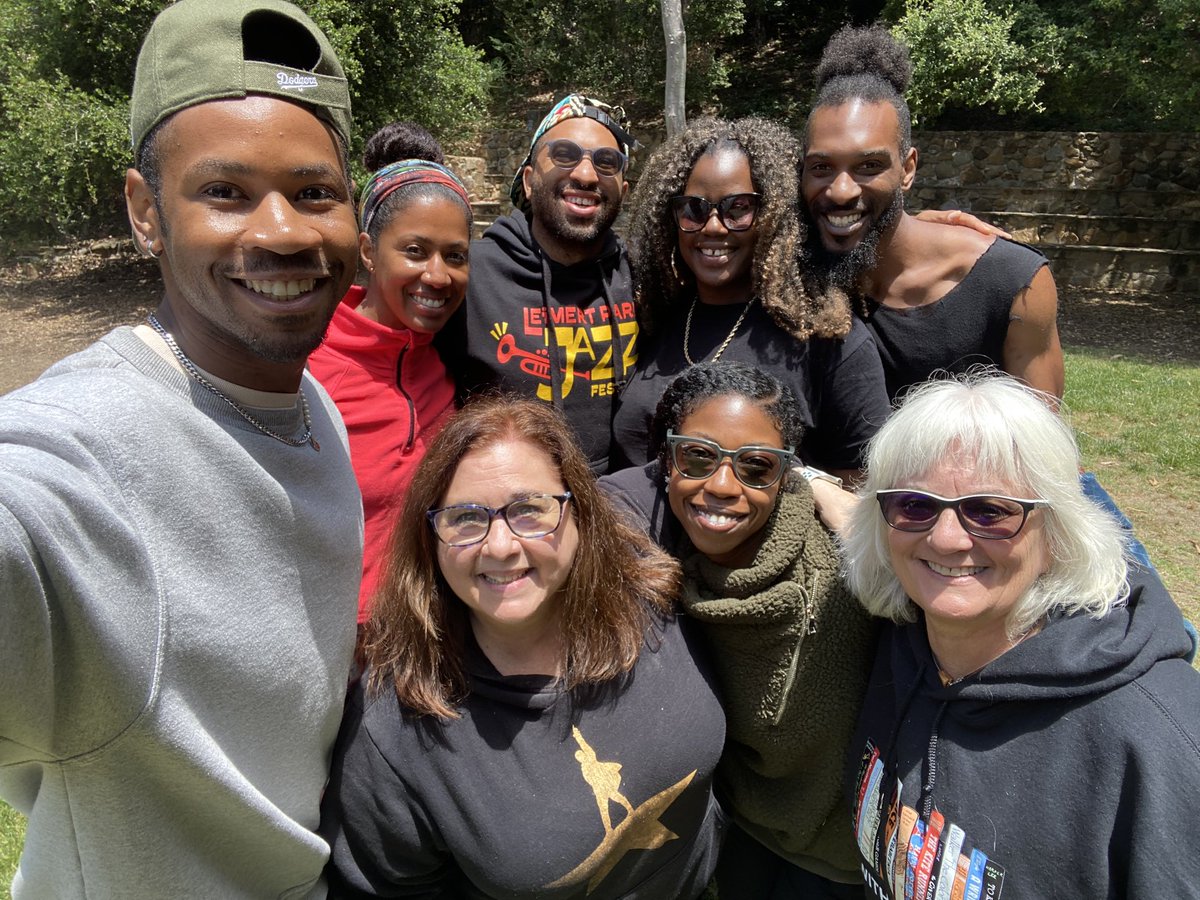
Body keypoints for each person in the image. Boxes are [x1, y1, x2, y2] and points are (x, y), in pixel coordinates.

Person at [0, 1, 363, 897]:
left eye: (315, 192)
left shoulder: (309, 399)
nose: (282, 231)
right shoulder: (81, 460)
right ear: (145, 212)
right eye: (225, 193)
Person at [319, 397, 726, 898]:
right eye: (466, 518)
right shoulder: (394, 731)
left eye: (530, 510)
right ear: (430, 539)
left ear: (580, 513)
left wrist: (817, 486)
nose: (500, 546)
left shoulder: (653, 596)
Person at [841, 373, 1200, 898]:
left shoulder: (1161, 741)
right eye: (915, 505)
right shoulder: (898, 644)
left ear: (1056, 534)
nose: (945, 538)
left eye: (990, 511)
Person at [603, 362, 877, 898]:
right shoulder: (656, 542)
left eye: (755, 466)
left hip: (841, 850)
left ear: (784, 473)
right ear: (667, 459)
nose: (723, 486)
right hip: (734, 822)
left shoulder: (850, 568)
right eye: (699, 457)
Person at [611, 116, 892, 481]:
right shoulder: (654, 316)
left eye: (738, 208)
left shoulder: (826, 338)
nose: (713, 226)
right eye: (694, 209)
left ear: (774, 216)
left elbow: (864, 489)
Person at [800, 25, 1063, 405]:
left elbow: (1038, 449)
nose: (841, 190)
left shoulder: (1012, 284)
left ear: (907, 169)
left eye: (869, 165)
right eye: (821, 167)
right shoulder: (790, 265)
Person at [309, 122, 471, 623]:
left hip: (435, 630)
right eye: (415, 251)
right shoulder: (309, 369)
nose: (438, 276)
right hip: (341, 652)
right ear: (367, 251)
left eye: (456, 256)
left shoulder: (448, 357)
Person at [436, 94, 641, 473]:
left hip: (618, 506)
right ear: (529, 181)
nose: (585, 174)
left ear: (623, 192)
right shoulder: (469, 276)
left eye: (606, 162)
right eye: (564, 154)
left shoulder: (641, 277)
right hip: (508, 510)